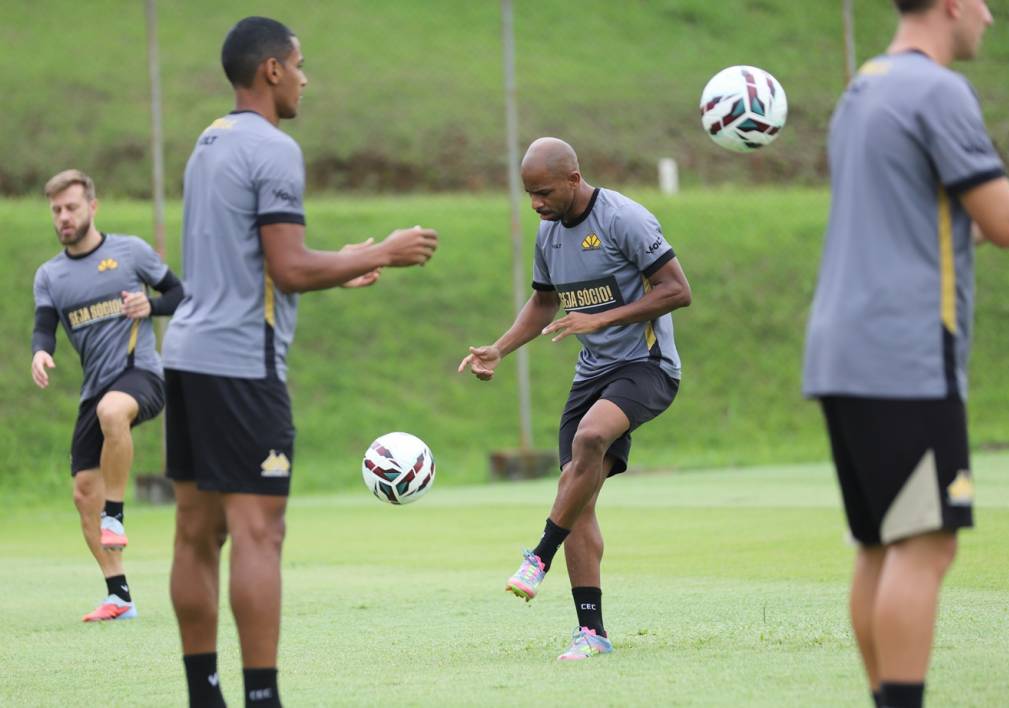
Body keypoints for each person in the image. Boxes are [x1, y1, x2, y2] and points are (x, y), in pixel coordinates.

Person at [161, 16, 438, 708]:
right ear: (272, 70)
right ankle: (263, 699)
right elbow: (286, 269)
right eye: (300, 64)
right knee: (259, 532)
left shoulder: (208, 142)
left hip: (186, 355)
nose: (306, 79)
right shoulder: (274, 148)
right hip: (241, 364)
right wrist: (384, 251)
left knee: (195, 534)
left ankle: (204, 696)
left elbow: (251, 261)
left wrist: (338, 264)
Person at [802, 2, 1009, 706]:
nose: (990, 16)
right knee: (926, 544)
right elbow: (1007, 222)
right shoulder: (937, 89)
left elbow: (941, 221)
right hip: (905, 354)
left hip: (841, 351)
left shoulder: (863, 88)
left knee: (881, 545)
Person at [459, 137, 691, 660]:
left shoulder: (624, 219)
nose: (535, 203)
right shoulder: (548, 233)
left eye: (543, 192)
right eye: (528, 193)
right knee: (578, 499)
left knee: (590, 438)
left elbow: (678, 290)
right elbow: (543, 303)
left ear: (573, 178)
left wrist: (601, 319)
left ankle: (539, 555)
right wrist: (499, 349)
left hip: (646, 365)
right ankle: (592, 633)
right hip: (592, 375)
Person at [31, 169, 184, 622]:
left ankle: (115, 514)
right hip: (94, 391)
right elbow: (44, 326)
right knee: (84, 494)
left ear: (92, 207)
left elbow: (180, 293)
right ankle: (119, 596)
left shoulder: (130, 252)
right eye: (56, 210)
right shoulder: (50, 275)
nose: (63, 216)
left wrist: (151, 305)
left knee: (113, 410)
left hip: (142, 375)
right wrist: (40, 351)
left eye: (71, 207)